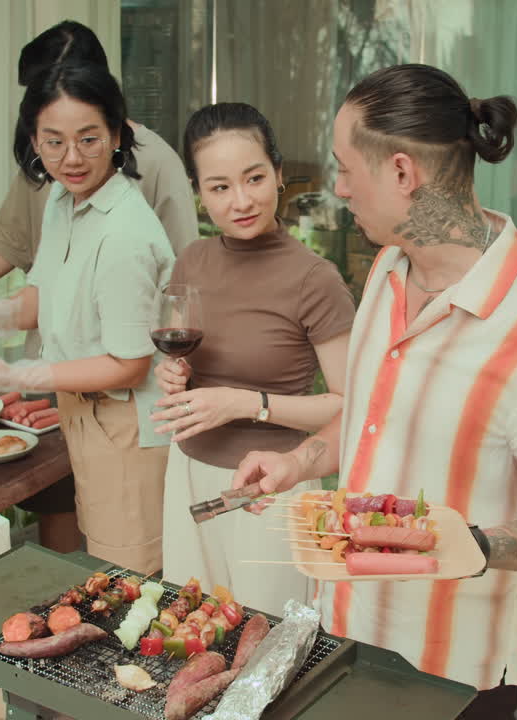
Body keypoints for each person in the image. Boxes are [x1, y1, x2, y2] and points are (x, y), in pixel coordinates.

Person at [230, 64, 517, 719]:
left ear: (402, 173)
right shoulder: (388, 269)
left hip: (455, 680)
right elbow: (375, 416)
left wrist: (477, 545)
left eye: (346, 168)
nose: (339, 188)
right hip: (347, 630)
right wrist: (302, 460)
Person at [0, 60, 174, 576]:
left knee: (131, 579)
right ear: (33, 139)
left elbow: (129, 365)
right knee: (101, 558)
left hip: (124, 427)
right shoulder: (63, 197)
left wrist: (18, 375)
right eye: (54, 141)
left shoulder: (125, 234)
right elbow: (44, 294)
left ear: (117, 135)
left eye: (89, 139)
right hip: (84, 411)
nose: (72, 158)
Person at [148, 103, 355, 613]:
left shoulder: (315, 278)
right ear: (199, 193)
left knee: (266, 643)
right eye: (219, 187)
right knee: (192, 622)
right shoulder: (193, 260)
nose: (241, 200)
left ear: (279, 175)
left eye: (254, 178)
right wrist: (175, 375)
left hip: (272, 486)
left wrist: (247, 404)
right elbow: (198, 364)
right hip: (189, 468)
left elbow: (350, 406)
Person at [0, 20, 195, 343]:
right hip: (54, 363)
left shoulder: (145, 183)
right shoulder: (56, 186)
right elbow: (19, 250)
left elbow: (183, 282)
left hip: (119, 367)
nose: (72, 159)